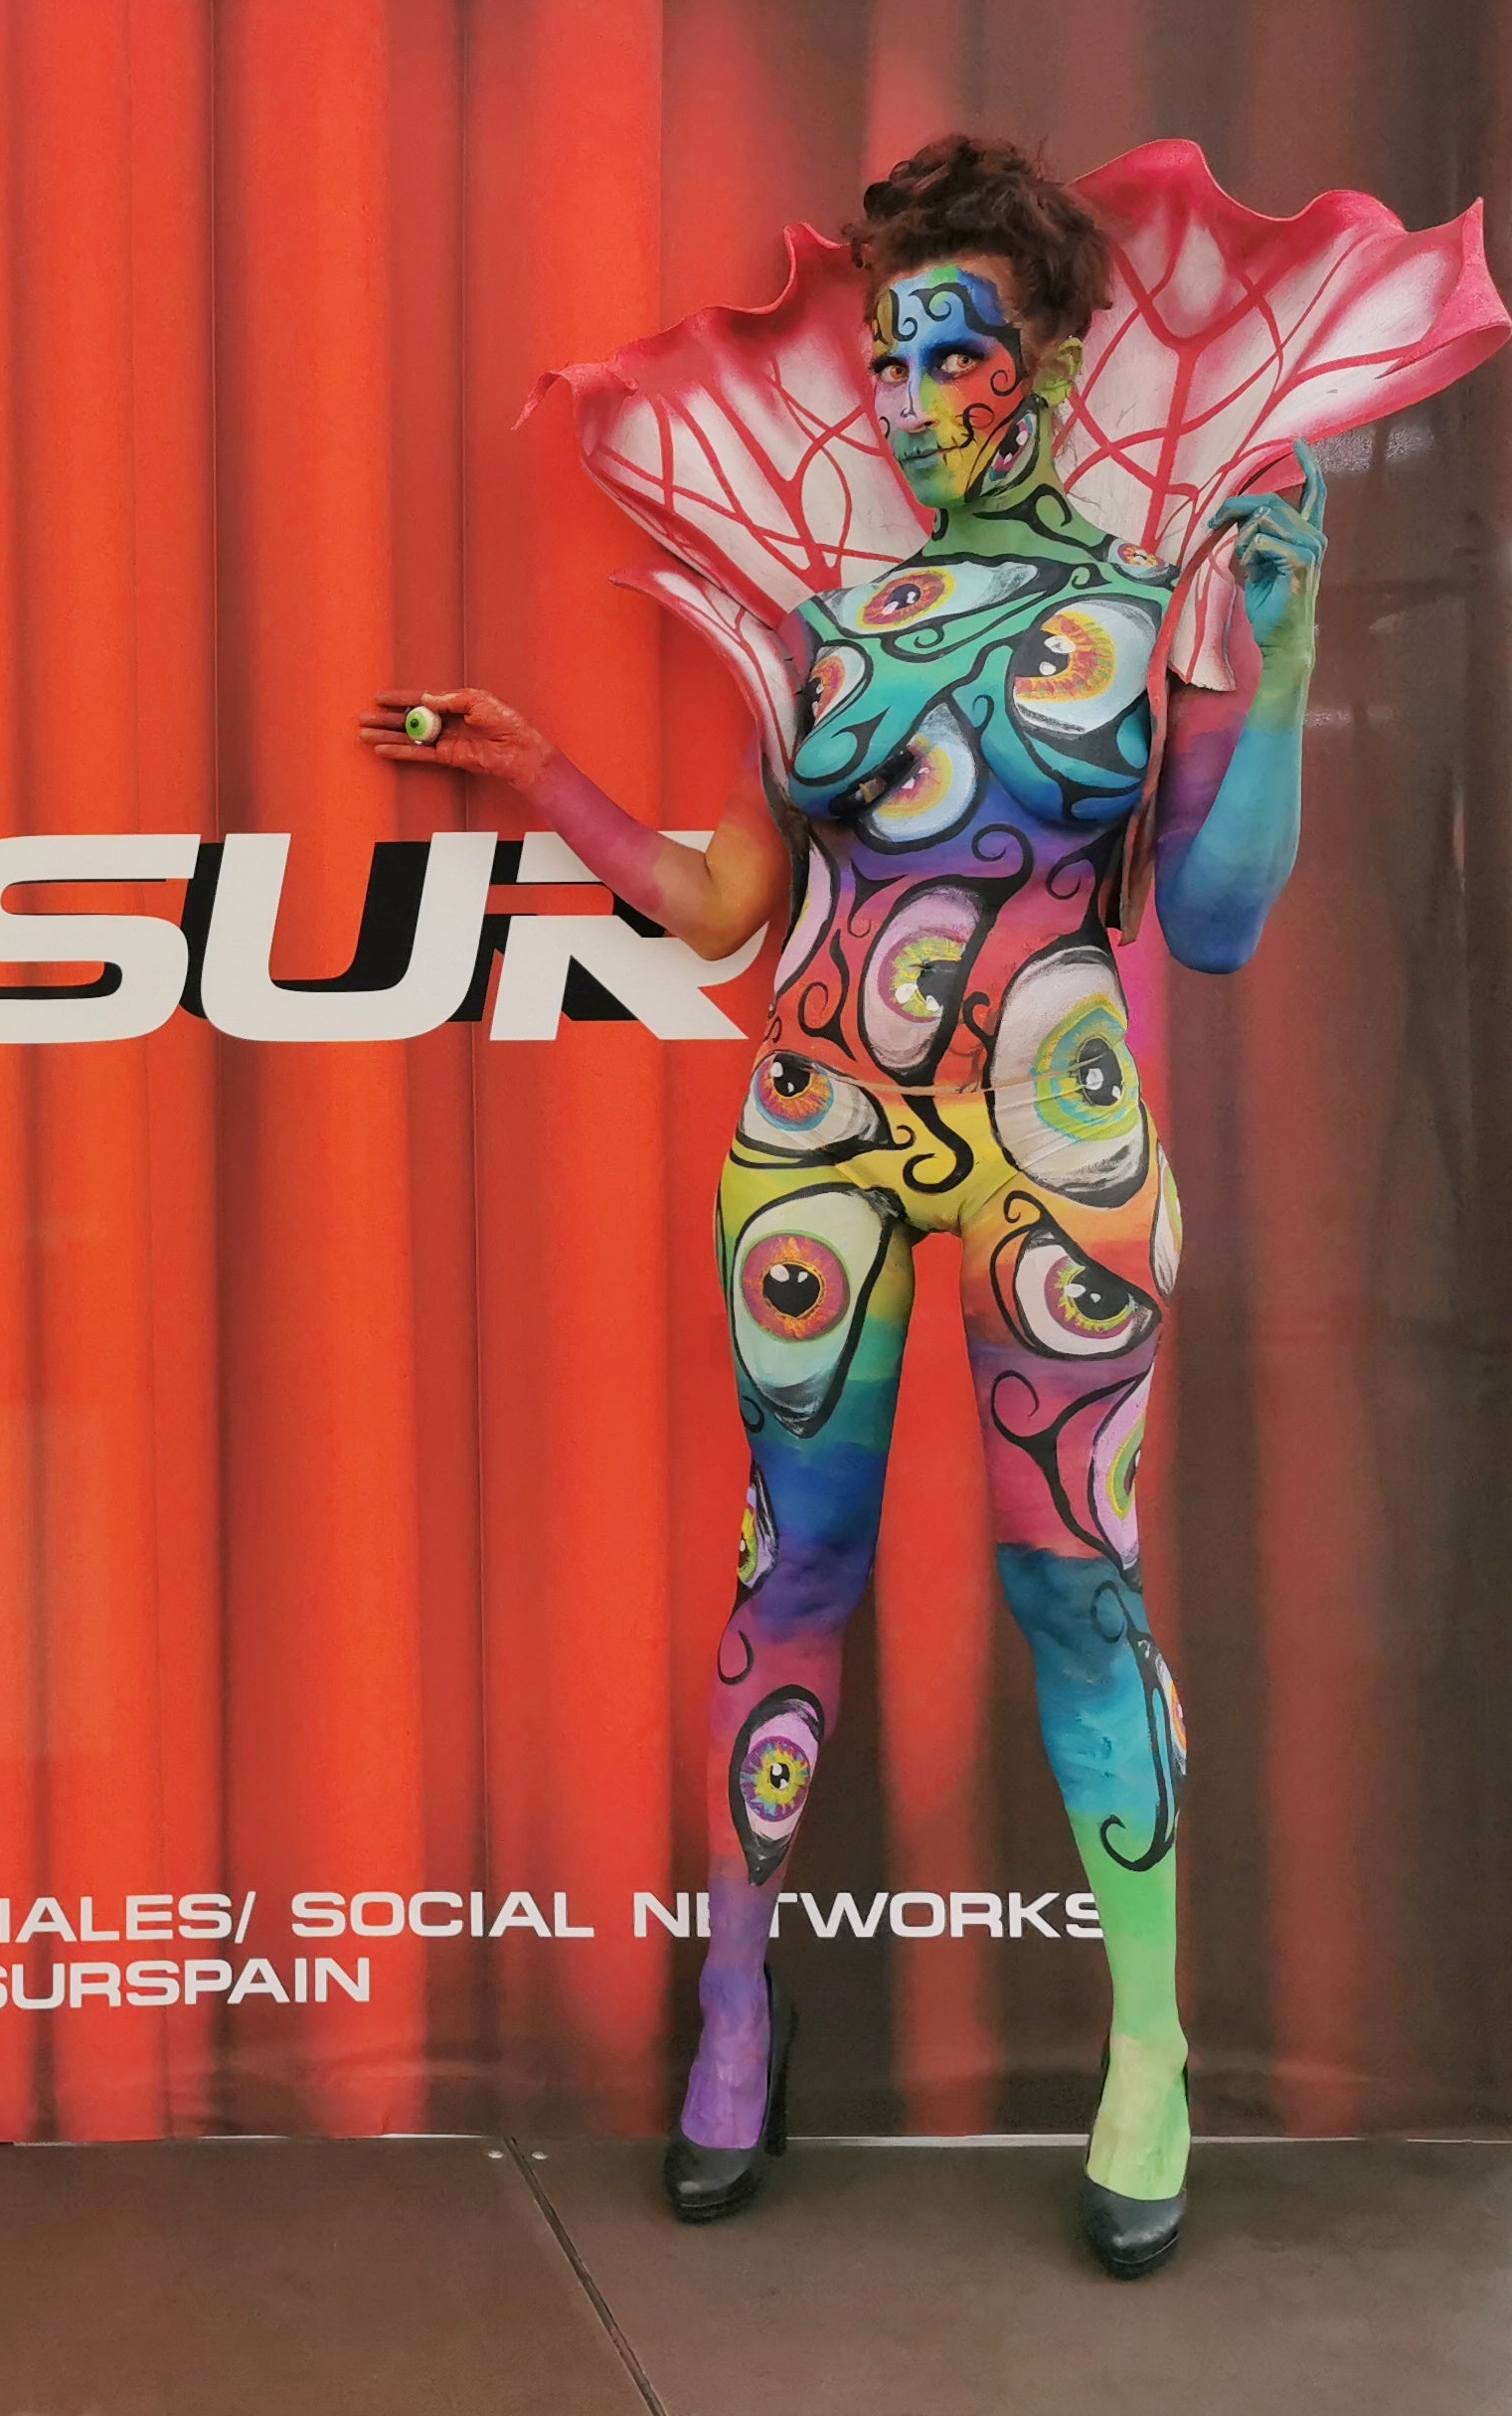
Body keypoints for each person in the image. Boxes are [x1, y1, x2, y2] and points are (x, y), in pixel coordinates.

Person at [367, 135, 1503, 2275]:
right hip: (813, 1131)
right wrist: (537, 775)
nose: (905, 399)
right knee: (788, 1566)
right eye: (887, 358)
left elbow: (1217, 920)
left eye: (949, 354)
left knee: (1077, 1586)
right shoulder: (823, 627)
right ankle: (736, 2005)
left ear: (1049, 363)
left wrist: (1279, 658)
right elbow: (726, 898)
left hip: (1061, 1142)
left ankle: (1146, 2049)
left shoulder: (1149, 607)